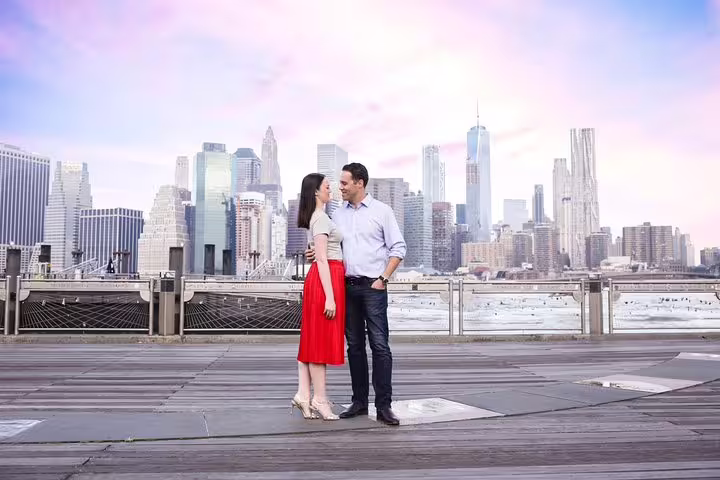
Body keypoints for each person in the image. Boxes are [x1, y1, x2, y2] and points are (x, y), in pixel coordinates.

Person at [307, 163, 406, 425]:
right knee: (355, 347)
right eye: (338, 183)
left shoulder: (382, 211)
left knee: (380, 346)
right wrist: (313, 253)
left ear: (359, 183)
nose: (340, 187)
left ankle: (384, 406)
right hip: (345, 288)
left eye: (344, 183)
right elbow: (327, 244)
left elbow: (398, 247)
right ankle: (360, 402)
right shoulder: (337, 214)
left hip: (373, 286)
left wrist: (383, 279)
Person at [292, 173, 345, 421]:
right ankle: (320, 399)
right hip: (327, 279)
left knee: (313, 339)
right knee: (321, 342)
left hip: (323, 278)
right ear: (316, 192)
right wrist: (331, 297)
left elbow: (319, 254)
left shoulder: (318, 218)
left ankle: (304, 394)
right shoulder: (321, 218)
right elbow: (323, 258)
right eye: (327, 187)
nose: (330, 190)